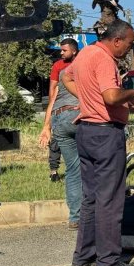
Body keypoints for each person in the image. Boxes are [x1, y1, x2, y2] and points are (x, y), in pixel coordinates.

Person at [62, 20, 134, 266]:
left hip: (85, 132)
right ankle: (108, 264)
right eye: (129, 44)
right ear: (117, 40)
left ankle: (83, 256)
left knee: (91, 197)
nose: (129, 50)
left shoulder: (86, 52)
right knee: (109, 201)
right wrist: (131, 94)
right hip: (105, 135)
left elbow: (67, 77)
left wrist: (89, 99)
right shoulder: (106, 59)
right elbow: (110, 96)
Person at [38, 38, 81, 229]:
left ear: (74, 50)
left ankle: (75, 217)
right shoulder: (80, 67)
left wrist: (46, 126)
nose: (61, 53)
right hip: (75, 115)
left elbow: (53, 97)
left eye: (64, 50)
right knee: (95, 164)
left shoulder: (65, 72)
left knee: (72, 169)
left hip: (59, 120)